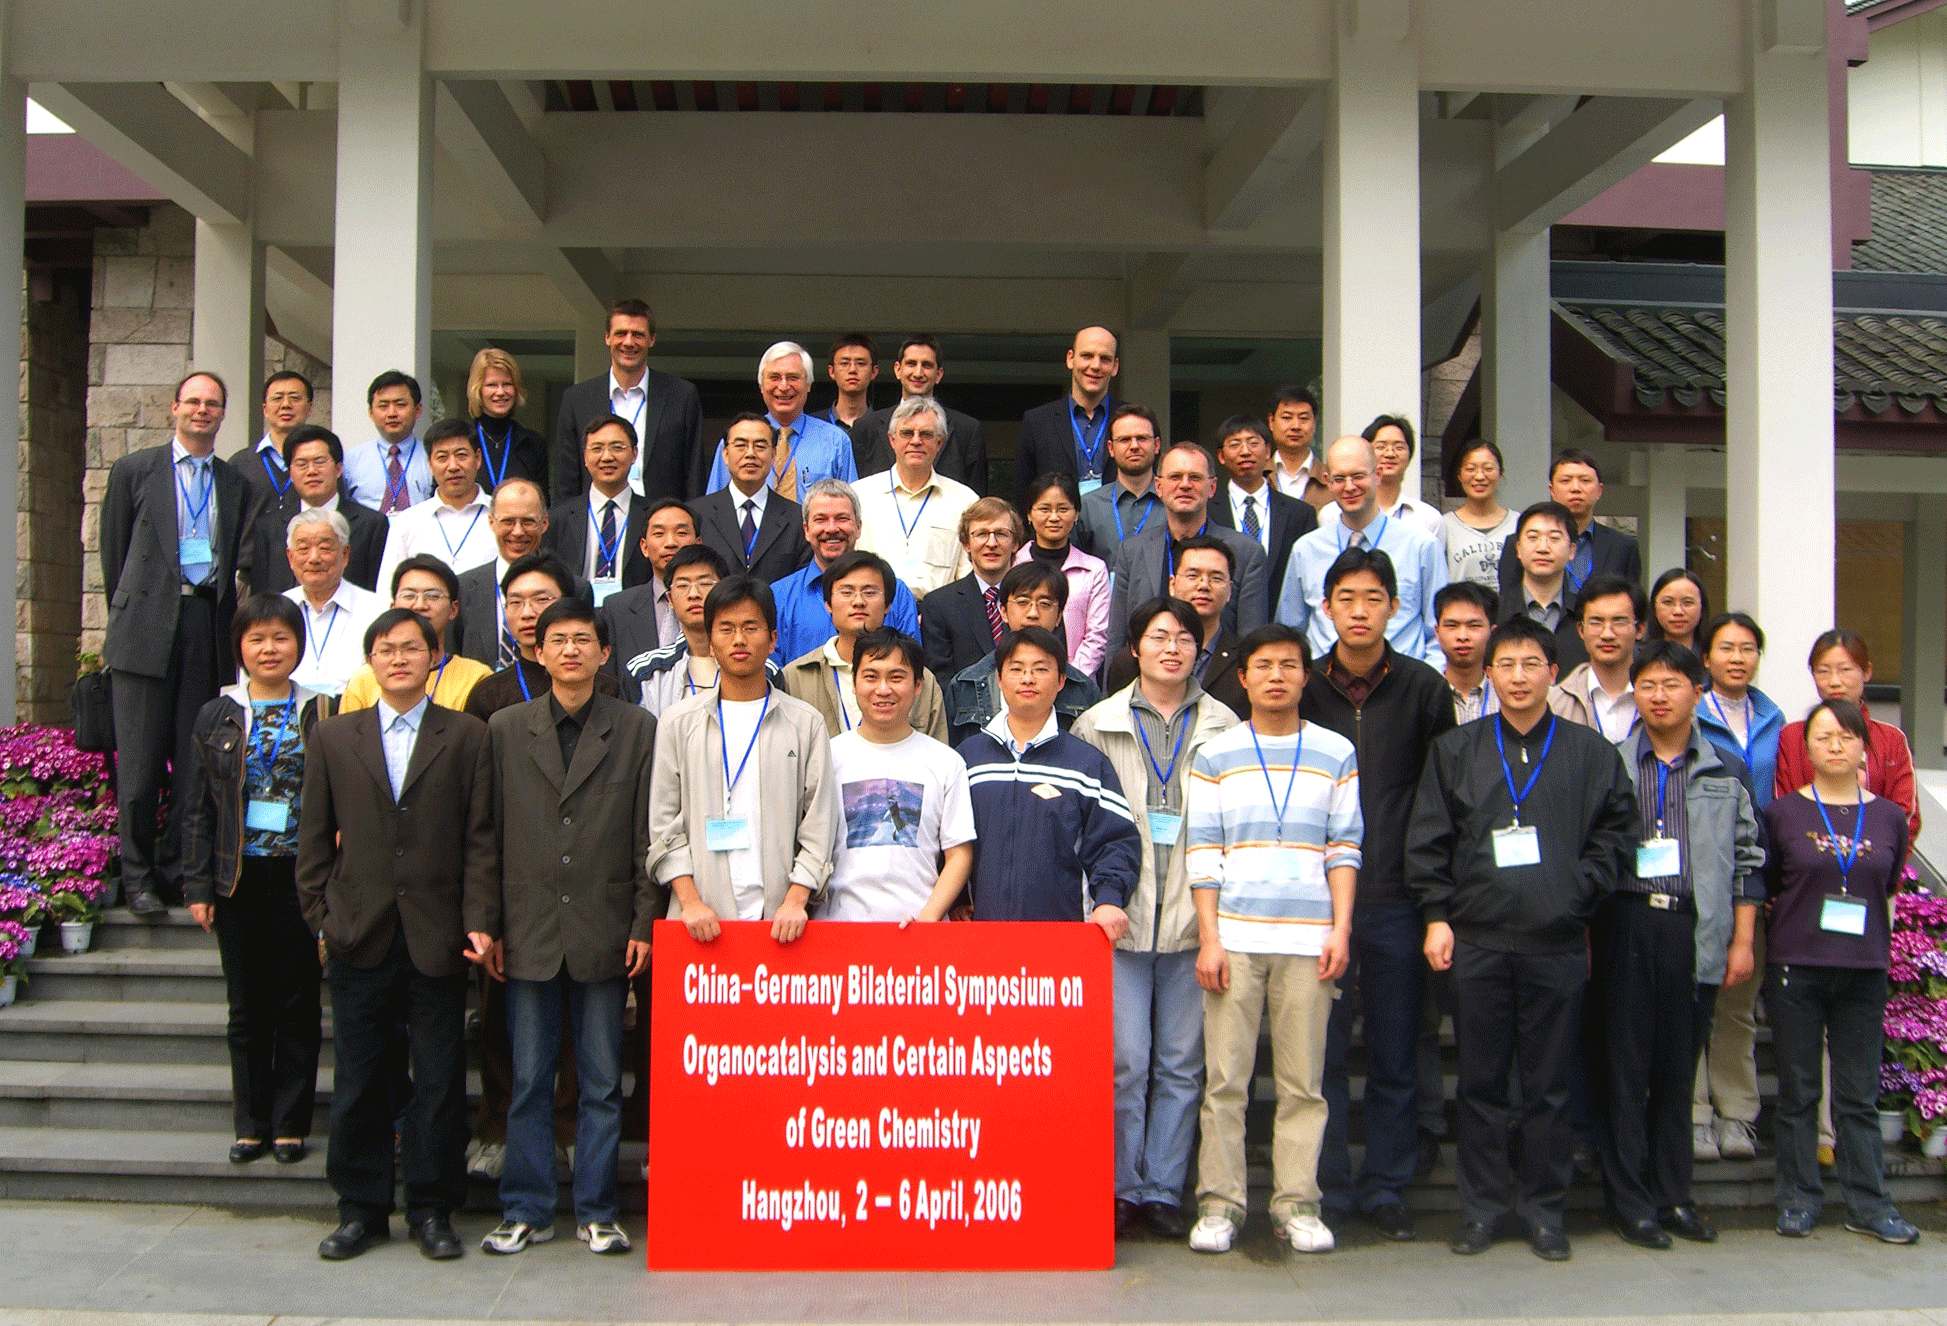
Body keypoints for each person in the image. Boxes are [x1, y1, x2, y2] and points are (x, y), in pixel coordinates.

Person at [1406, 615, 1637, 1262]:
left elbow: (1617, 834)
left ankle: (1544, 1212)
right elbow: (1428, 839)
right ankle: (1481, 1210)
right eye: (1504, 665)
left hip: (1555, 942)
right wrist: (1436, 915)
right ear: (1488, 675)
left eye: (1530, 664)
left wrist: (1576, 892)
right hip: (1477, 942)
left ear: (1552, 673)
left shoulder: (1590, 754)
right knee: (1479, 1084)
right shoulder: (1457, 750)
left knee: (1548, 1087)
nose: (1517, 677)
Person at [296, 607, 494, 1263]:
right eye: (386, 649)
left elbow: (480, 840)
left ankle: (433, 1208)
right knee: (360, 1078)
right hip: (359, 930)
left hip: (438, 932)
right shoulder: (334, 736)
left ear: (434, 657)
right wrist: (321, 916)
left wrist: (478, 918)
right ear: (370, 662)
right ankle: (360, 1209)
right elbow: (312, 839)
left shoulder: (465, 736)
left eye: (412, 648)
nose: (399, 658)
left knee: (439, 1079)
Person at [469, 598, 658, 1258]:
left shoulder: (635, 728)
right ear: (538, 651)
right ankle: (525, 1209)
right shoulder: (504, 728)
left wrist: (643, 922)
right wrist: (485, 923)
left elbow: (648, 834)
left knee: (602, 1082)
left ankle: (597, 1210)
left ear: (605, 653)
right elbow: (484, 834)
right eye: (558, 640)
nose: (571, 650)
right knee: (528, 1080)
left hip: (605, 927)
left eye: (583, 639)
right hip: (526, 929)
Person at [1185, 624, 1359, 1256]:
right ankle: (1220, 1204)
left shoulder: (1336, 751)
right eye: (1264, 666)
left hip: (1310, 941)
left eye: (1289, 665)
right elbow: (1203, 851)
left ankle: (1297, 1204)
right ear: (1244, 677)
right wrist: (1209, 938)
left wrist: (1341, 929)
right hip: (1234, 938)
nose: (1277, 676)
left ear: (1306, 677)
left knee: (1302, 1085)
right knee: (1225, 1082)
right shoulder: (1217, 753)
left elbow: (1345, 846)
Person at [1073, 597, 1240, 1241]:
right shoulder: (1097, 724)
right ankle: (1119, 1186)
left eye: (1184, 638)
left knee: (1181, 1064)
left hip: (1196, 921)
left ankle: (1164, 1188)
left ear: (1201, 649)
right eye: (1159, 636)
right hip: (1123, 916)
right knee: (1124, 1063)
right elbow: (1082, 825)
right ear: (1135, 647)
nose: (1172, 648)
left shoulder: (1225, 725)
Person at [1302, 548, 1455, 1240]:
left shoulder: (1424, 689)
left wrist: (1433, 898)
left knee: (1396, 1048)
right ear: (1326, 606)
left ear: (1394, 606)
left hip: (1397, 893)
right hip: (1317, 900)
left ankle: (1387, 1187)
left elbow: (1441, 797)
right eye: (1346, 598)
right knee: (1323, 1052)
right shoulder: (1304, 686)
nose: (1359, 611)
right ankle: (1329, 1186)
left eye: (1373, 598)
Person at [1593, 640, 1763, 1250]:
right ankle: (1630, 1202)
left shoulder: (1726, 768)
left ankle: (1674, 1197)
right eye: (1647, 685)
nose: (1659, 696)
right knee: (1624, 1070)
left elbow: (1749, 859)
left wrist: (1742, 940)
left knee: (1676, 1072)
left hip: (1695, 928)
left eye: (1672, 684)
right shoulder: (1609, 762)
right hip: (1626, 924)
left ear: (1698, 692)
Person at [181, 594, 331, 1166]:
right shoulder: (216, 714)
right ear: (240, 647)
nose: (270, 649)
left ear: (299, 644)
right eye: (256, 639)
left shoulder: (323, 709)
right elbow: (198, 808)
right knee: (246, 1006)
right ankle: (250, 1123)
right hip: (237, 877)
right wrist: (198, 886)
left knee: (298, 1003)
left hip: (302, 877)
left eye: (281, 638)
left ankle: (290, 1124)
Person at [1763, 699, 1919, 1244]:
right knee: (1799, 1092)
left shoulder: (1889, 817)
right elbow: (1773, 884)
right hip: (1797, 966)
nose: (1835, 746)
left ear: (1863, 748)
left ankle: (1869, 1204)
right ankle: (1798, 1198)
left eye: (1846, 737)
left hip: (1863, 967)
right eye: (1823, 736)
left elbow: (1888, 881)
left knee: (1857, 1095)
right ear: (1805, 748)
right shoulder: (1782, 814)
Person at [101, 370, 250, 915]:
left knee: (194, 762)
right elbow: (114, 553)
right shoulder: (134, 469)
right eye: (193, 401)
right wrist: (133, 614)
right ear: (174, 408)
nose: (201, 410)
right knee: (140, 767)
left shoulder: (234, 482)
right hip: (144, 626)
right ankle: (137, 877)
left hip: (205, 624)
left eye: (212, 403)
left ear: (222, 413)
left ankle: (176, 869)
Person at [648, 576, 840, 942]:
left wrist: (796, 899)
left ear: (772, 639)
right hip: (697, 921)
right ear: (710, 641)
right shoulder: (678, 722)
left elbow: (819, 823)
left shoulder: (805, 723)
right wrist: (690, 902)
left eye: (751, 627)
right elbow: (663, 824)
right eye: (726, 629)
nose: (739, 639)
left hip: (784, 923)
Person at [959, 625, 1139, 924]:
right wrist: (958, 898)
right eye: (1016, 669)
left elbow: (1115, 841)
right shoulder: (969, 759)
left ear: (1061, 680)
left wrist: (1109, 899)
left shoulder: (1086, 763)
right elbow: (947, 842)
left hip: (1062, 933)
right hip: (980, 930)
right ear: (999, 680)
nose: (1028, 678)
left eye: (1041, 669)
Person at [1692, 611, 1787, 1163]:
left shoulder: (1776, 720)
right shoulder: (1688, 711)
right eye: (1726, 648)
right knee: (1692, 1002)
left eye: (1747, 648)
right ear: (1706, 658)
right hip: (1699, 872)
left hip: (1754, 871)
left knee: (1737, 1003)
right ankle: (1695, 1114)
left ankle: (1737, 1113)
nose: (1737, 658)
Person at [820, 626, 976, 923]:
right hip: (839, 929)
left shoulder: (946, 762)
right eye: (871, 677)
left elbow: (959, 853)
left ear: (917, 685)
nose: (883, 689)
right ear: (854, 683)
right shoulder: (827, 757)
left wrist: (928, 919)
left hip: (919, 930)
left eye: (896, 677)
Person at [1278, 435, 1445, 667]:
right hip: (1324, 681)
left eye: (1358, 476)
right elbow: (1290, 632)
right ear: (1327, 481)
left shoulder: (1421, 546)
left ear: (1378, 475)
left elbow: (1439, 631)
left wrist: (1424, 681)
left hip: (1400, 681)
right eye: (1339, 478)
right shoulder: (1306, 550)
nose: (1349, 487)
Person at [1107, 442, 1268, 656]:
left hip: (1218, 673)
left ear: (1212, 487)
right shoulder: (1132, 551)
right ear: (1158, 486)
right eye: (1175, 477)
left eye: (1195, 477)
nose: (1185, 485)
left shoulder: (1246, 553)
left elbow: (1251, 643)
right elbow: (1117, 639)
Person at [780, 550, 948, 741]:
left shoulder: (920, 678)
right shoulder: (795, 677)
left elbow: (937, 751)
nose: (858, 601)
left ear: (888, 604)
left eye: (869, 592)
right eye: (846, 592)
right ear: (828, 604)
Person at [552, 298, 702, 503]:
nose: (629, 342)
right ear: (607, 337)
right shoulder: (577, 399)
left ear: (652, 339)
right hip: (597, 517)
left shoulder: (681, 396)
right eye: (621, 333)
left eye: (638, 334)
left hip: (660, 516)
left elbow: (693, 473)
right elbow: (566, 479)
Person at [1775, 628, 1921, 838]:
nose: (1835, 681)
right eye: (1823, 671)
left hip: (1877, 854)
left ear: (1867, 672)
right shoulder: (1791, 736)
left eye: (1845, 669)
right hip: (1806, 852)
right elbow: (1783, 808)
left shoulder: (1891, 739)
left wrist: (1876, 852)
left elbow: (1906, 814)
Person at [944, 563, 1101, 746]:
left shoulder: (1083, 690)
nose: (1033, 613)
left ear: (1059, 616)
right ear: (1003, 611)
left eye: (1045, 604)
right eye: (1023, 602)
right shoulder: (965, 685)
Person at [769, 478, 920, 666]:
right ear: (806, 530)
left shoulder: (897, 593)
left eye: (842, 518)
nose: (831, 528)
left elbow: (910, 666)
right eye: (821, 519)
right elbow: (772, 671)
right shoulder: (779, 597)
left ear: (858, 527)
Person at [1105, 536, 1251, 720]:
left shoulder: (1246, 660)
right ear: (1172, 584)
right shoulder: (1132, 659)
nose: (1204, 585)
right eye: (1193, 576)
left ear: (1229, 590)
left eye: (1216, 578)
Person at [629, 544, 782, 716]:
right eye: (682, 585)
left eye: (705, 583)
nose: (693, 594)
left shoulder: (762, 669)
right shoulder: (646, 671)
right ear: (670, 599)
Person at [463, 554, 619, 720]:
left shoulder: (606, 688)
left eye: (541, 599)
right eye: (515, 602)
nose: (527, 613)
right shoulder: (488, 695)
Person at [855, 396, 978, 598]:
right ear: (892, 440)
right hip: (873, 609)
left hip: (939, 613)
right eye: (907, 433)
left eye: (926, 434)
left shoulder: (965, 501)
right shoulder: (860, 495)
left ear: (939, 443)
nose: (916, 441)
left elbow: (968, 576)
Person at [337, 556, 494, 713]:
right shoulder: (364, 680)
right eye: (409, 596)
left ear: (453, 609)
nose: (420, 605)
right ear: (393, 607)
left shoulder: (476, 677)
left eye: (433, 596)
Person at [245, 425, 388, 596]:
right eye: (301, 464)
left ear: (338, 469)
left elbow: (378, 592)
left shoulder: (371, 525)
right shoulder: (268, 527)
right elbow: (261, 598)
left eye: (319, 462)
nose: (311, 471)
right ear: (290, 473)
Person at [1495, 449, 1643, 611]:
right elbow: (1509, 601)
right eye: (1566, 481)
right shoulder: (1519, 543)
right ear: (1552, 490)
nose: (1575, 488)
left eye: (1585, 481)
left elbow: (1631, 605)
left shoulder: (1623, 546)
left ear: (1599, 490)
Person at [704, 342, 858, 496]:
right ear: (761, 385)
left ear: (808, 384)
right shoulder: (736, 440)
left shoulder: (835, 441)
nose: (784, 387)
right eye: (774, 378)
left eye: (793, 377)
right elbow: (715, 504)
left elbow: (851, 504)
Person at [848, 335, 987, 492]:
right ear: (897, 369)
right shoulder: (866, 427)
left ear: (939, 374)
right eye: (911, 364)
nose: (918, 373)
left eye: (927, 365)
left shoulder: (968, 430)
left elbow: (977, 500)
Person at [1208, 412, 1318, 610]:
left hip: (1282, 620)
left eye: (1253, 443)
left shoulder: (1300, 514)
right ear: (1221, 456)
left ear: (1268, 451)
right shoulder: (1207, 511)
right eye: (1235, 444)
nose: (1245, 451)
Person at [374, 418, 495, 595]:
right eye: (442, 458)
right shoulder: (407, 521)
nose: (453, 466)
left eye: (461, 455)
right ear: (430, 464)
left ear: (477, 458)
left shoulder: (501, 516)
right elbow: (387, 590)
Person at [543, 414, 653, 604]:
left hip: (634, 614)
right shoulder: (558, 519)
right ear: (585, 457)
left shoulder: (653, 516)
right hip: (575, 614)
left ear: (634, 454)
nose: (607, 457)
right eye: (597, 448)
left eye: (617, 448)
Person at [694, 413, 812, 584]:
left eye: (760, 446)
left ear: (773, 455)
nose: (750, 454)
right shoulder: (697, 514)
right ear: (725, 454)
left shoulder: (797, 518)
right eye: (741, 445)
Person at [598, 498, 697, 701]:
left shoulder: (719, 604)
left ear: (698, 543)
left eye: (681, 533)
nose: (671, 543)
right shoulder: (617, 608)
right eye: (659, 534)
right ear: (644, 547)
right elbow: (609, 683)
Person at [1015, 473, 1111, 677]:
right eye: (1044, 509)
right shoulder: (1013, 564)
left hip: (1077, 681)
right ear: (1029, 514)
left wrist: (1069, 677)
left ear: (1076, 514)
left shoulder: (1094, 569)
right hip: (1020, 679)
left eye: (1063, 509)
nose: (1054, 517)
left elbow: (1098, 635)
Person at [281, 509, 384, 698]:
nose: (314, 558)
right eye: (303, 549)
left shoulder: (376, 610)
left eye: (325, 548)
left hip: (354, 710)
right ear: (290, 557)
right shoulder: (277, 610)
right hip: (289, 710)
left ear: (345, 554)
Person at [1014, 326, 1120, 508]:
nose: (1095, 366)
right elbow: (1023, 493)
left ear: (1115, 366)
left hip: (1118, 525)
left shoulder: (1133, 420)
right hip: (1056, 523)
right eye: (1087, 356)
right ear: (1070, 359)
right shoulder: (1037, 421)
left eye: (1105, 359)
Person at [921, 497, 1024, 679]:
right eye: (981, 534)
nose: (991, 543)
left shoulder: (1035, 600)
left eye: (1001, 533)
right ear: (966, 544)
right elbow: (941, 679)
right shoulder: (939, 605)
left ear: (1015, 543)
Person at [454, 479, 552, 668]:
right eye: (508, 521)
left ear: (544, 523)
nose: (518, 532)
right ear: (491, 522)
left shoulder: (571, 588)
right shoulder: (462, 588)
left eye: (528, 522)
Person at [1317, 416, 1444, 545]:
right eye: (1381, 447)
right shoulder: (1332, 514)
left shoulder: (1428, 518)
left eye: (1399, 447)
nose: (1390, 454)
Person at [1495, 501, 1588, 671]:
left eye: (1554, 538)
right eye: (1533, 538)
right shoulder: (1495, 613)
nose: (1543, 548)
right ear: (1518, 548)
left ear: (1572, 550)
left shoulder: (1586, 615)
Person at [1555, 574, 1648, 740]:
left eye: (1619, 622)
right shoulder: (1555, 702)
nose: (1607, 634)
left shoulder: (1661, 698)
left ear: (1640, 629)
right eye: (1596, 622)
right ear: (1580, 630)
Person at [1076, 403, 1163, 561]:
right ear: (1111, 448)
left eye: (1142, 438)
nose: (1134, 446)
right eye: (1124, 440)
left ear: (1156, 445)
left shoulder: (1173, 503)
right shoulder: (1088, 506)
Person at [343, 371, 432, 514]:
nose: (392, 413)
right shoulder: (351, 460)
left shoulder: (433, 457)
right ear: (371, 412)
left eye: (400, 405)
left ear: (418, 410)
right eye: (383, 406)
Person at [466, 347, 549, 500]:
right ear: (477, 389)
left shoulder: (532, 444)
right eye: (492, 385)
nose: (500, 392)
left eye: (507, 384)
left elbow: (543, 502)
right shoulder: (462, 440)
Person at [230, 370, 315, 515]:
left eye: (295, 398)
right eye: (277, 398)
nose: (286, 405)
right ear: (265, 409)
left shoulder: (324, 463)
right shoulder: (240, 463)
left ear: (309, 408)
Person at [1443, 439, 1518, 589]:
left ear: (1501, 474)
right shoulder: (1445, 525)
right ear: (1459, 475)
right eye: (1470, 469)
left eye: (1488, 468)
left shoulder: (1518, 523)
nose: (1479, 476)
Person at [1435, 581, 1501, 723]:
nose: (1462, 636)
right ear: (1437, 632)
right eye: (1452, 626)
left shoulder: (1506, 695)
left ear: (1492, 632)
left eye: (1474, 626)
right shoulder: (1423, 696)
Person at [1267, 385, 1330, 508]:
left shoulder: (1332, 480)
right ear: (1271, 422)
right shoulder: (1259, 476)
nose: (1296, 426)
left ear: (1314, 423)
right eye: (1287, 417)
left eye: (1303, 418)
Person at [815, 332, 878, 432]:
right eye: (844, 363)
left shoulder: (887, 425)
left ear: (874, 372)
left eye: (861, 364)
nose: (852, 370)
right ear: (831, 371)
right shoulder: (813, 425)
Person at [1648, 569, 1709, 654]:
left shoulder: (1711, 656)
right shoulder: (1635, 655)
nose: (1678, 611)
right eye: (1668, 602)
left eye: (1687, 602)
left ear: (1702, 607)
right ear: (1654, 607)